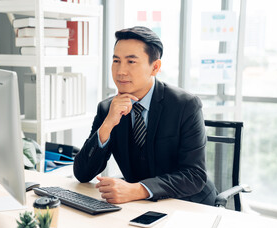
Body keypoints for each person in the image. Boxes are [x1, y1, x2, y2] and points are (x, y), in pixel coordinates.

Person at [73, 26, 217, 205]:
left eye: (131, 62)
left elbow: (194, 176)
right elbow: (82, 174)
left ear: (155, 67)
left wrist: (137, 189)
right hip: (139, 206)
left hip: (189, 203)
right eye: (116, 61)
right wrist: (107, 125)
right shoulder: (108, 109)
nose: (120, 71)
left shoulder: (185, 105)